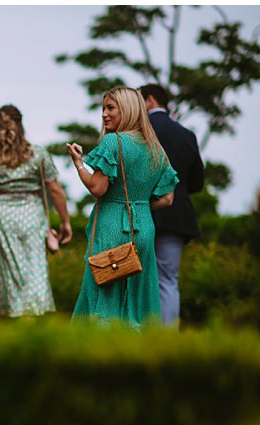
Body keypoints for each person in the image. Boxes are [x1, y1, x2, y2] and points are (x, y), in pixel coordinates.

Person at [67, 86, 179, 329]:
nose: (104, 114)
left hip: (112, 225)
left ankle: (102, 351)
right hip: (144, 228)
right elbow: (168, 198)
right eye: (103, 109)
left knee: (104, 292)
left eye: (110, 108)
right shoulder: (155, 148)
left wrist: (79, 164)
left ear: (126, 110)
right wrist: (138, 205)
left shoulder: (113, 142)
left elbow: (98, 188)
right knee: (140, 299)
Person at [0, 105, 72, 318]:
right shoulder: (38, 154)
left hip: (0, 220)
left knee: (1, 281)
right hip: (32, 219)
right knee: (34, 274)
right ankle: (31, 326)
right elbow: (55, 190)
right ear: (21, 125)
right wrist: (65, 222)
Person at [140, 83, 206, 327]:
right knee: (168, 280)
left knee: (135, 277)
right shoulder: (186, 135)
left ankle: (137, 336)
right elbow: (197, 182)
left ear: (149, 100)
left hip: (140, 212)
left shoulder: (137, 132)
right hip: (175, 215)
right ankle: (167, 339)